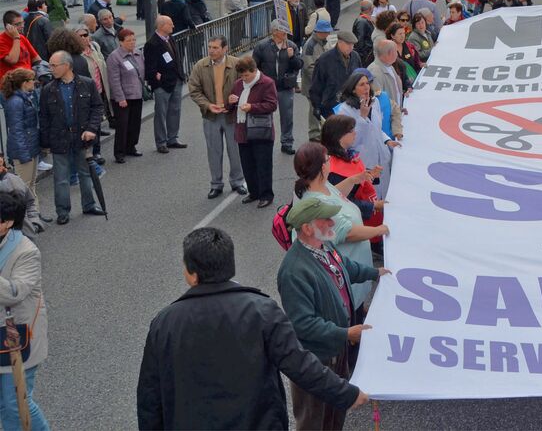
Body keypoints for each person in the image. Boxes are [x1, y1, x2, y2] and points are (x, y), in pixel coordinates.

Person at [137, 227, 369, 429]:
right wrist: (346, 393)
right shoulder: (262, 311)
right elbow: (300, 365)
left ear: (191, 273)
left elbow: (150, 396)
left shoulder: (165, 322)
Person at [277, 195, 386, 431]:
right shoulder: (294, 271)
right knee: (314, 421)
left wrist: (376, 273)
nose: (332, 223)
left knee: (336, 416)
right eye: (326, 219)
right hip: (317, 361)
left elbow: (346, 267)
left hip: (337, 351)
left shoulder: (324, 245)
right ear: (307, 228)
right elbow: (303, 324)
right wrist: (345, 333)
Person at [293, 140, 388, 313]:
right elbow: (348, 232)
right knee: (352, 314)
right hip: (345, 280)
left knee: (358, 309)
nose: (330, 160)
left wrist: (354, 179)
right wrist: (381, 229)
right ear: (322, 168)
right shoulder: (316, 204)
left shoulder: (318, 184)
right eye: (327, 158)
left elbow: (335, 194)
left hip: (351, 272)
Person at [0, 192, 49, 431]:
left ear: (7, 223)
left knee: (18, 401)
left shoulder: (26, 251)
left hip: (17, 337)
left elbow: (14, 292)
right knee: (3, 404)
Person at [38, 50, 105, 225]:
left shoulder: (87, 84)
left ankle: (89, 205)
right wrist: (45, 143)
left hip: (82, 138)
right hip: (59, 139)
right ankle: (62, 211)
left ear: (66, 66)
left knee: (85, 173)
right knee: (61, 178)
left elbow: (97, 108)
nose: (50, 69)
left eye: (54, 65)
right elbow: (43, 117)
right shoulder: (48, 90)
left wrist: (91, 129)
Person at [186, 36, 247, 200]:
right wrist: (207, 105)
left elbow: (246, 84)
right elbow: (194, 90)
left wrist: (237, 99)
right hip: (211, 116)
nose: (211, 51)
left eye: (215, 48)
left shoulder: (236, 64)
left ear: (225, 48)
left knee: (235, 151)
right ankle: (216, 184)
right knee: (214, 151)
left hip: (232, 115)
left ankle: (237, 181)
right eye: (210, 47)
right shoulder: (201, 65)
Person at [332, 69, 400, 200]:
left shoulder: (375, 102)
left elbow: (376, 128)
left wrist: (387, 141)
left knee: (385, 197)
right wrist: (362, 117)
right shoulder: (344, 110)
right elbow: (350, 140)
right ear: (353, 89)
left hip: (381, 158)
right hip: (364, 160)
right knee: (370, 197)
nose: (366, 87)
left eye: (367, 83)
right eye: (361, 85)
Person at [227, 54, 278, 209]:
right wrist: (229, 102)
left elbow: (271, 105)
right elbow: (230, 107)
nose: (245, 79)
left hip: (261, 131)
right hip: (243, 131)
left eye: (247, 75)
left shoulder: (267, 83)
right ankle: (254, 192)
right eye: (242, 76)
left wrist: (252, 107)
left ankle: (266, 195)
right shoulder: (238, 84)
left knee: (263, 165)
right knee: (247, 165)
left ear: (254, 70)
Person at [1, 68, 46, 221]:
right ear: (24, 83)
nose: (34, 82)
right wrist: (24, 154)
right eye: (31, 80)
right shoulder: (15, 101)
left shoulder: (24, 97)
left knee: (31, 184)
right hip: (24, 150)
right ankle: (27, 220)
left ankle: (35, 216)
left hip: (30, 147)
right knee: (24, 187)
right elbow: (16, 130)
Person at [253, 21, 303, 156]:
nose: (285, 33)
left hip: (285, 87)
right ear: (274, 32)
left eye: (286, 30)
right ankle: (264, 141)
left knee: (287, 116)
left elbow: (298, 65)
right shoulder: (262, 47)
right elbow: (254, 66)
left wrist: (292, 56)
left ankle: (287, 143)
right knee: (265, 115)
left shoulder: (291, 46)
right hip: (266, 88)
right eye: (282, 30)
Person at [144, 15, 186, 154]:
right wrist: (156, 82)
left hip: (176, 81)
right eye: (170, 24)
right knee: (161, 114)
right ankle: (161, 142)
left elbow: (176, 59)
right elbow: (150, 67)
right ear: (162, 26)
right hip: (162, 85)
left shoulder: (171, 38)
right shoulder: (152, 43)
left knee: (175, 110)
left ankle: (172, 138)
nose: (173, 26)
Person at [105, 27, 145, 164]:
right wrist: (120, 98)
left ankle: (131, 146)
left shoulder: (138, 53)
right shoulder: (114, 57)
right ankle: (119, 152)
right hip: (123, 97)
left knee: (135, 123)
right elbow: (114, 80)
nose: (132, 43)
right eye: (128, 41)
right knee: (122, 125)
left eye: (134, 40)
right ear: (120, 42)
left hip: (137, 94)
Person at [311, 31, 362, 121]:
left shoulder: (355, 57)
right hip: (331, 106)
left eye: (352, 45)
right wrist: (316, 106)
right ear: (339, 42)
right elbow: (316, 85)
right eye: (348, 44)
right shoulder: (325, 60)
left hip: (352, 105)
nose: (351, 47)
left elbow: (360, 79)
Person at [367, 39, 405, 141]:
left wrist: (400, 107)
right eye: (395, 52)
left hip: (394, 115)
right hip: (387, 123)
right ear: (389, 54)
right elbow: (381, 101)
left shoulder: (389, 66)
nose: (397, 54)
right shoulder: (375, 72)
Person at [0, 11, 39, 84]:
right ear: (8, 26)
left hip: (28, 82)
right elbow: (12, 60)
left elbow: (36, 58)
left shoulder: (22, 38)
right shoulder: (2, 41)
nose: (22, 26)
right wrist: (16, 38)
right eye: (18, 24)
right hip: (12, 86)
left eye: (23, 22)